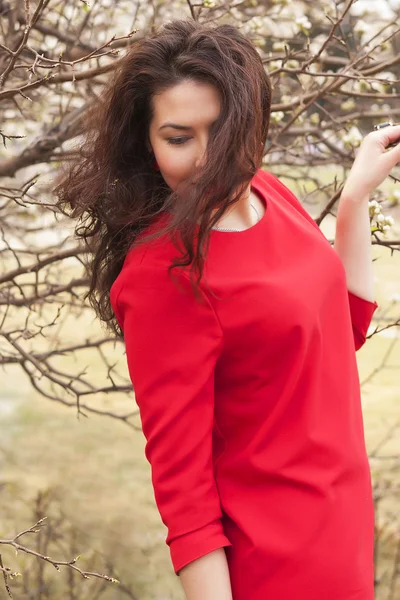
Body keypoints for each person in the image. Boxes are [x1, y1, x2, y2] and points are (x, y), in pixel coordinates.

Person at [53, 18, 400, 600]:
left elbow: (339, 330)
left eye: (223, 129)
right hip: (275, 565)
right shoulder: (164, 277)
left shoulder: (271, 192)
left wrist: (353, 200)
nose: (211, 160)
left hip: (339, 531)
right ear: (148, 142)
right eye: (179, 136)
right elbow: (185, 499)